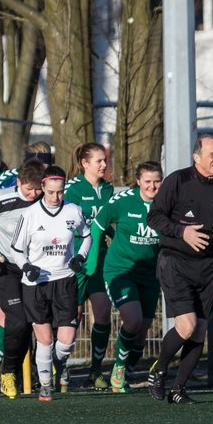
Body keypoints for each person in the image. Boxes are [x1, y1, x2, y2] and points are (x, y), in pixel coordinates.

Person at [145, 133, 213, 404]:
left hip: (208, 265)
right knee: (187, 326)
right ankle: (160, 369)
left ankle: (179, 389)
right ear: (197, 157)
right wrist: (182, 232)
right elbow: (154, 216)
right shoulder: (177, 180)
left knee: (200, 330)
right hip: (175, 262)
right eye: (212, 154)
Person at [11, 165, 92, 401]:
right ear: (42, 188)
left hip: (65, 281)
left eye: (60, 192)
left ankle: (56, 363)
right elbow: (17, 249)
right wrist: (26, 266)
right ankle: (45, 385)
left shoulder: (73, 211)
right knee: (45, 339)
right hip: (37, 284)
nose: (56, 197)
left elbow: (86, 236)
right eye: (51, 192)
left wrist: (80, 257)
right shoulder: (29, 215)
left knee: (66, 340)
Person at [86, 161, 164, 393]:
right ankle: (118, 368)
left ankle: (127, 369)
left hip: (150, 274)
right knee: (133, 319)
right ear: (138, 181)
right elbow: (98, 224)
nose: (152, 186)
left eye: (157, 181)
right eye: (147, 182)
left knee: (142, 331)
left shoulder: (167, 203)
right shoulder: (123, 201)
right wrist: (92, 258)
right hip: (120, 270)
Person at [0, 159, 45, 399]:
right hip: (4, 267)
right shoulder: (1, 198)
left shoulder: (44, 202)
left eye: (38, 189)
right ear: (19, 182)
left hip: (33, 268)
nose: (34, 195)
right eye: (29, 189)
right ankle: (2, 373)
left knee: (29, 323)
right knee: (18, 318)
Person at [64, 142, 115, 390]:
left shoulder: (107, 189)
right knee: (73, 315)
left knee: (104, 311)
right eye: (99, 161)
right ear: (85, 164)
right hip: (77, 259)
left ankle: (96, 370)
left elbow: (110, 222)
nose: (104, 164)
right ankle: (59, 367)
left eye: (104, 160)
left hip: (101, 257)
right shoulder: (72, 189)